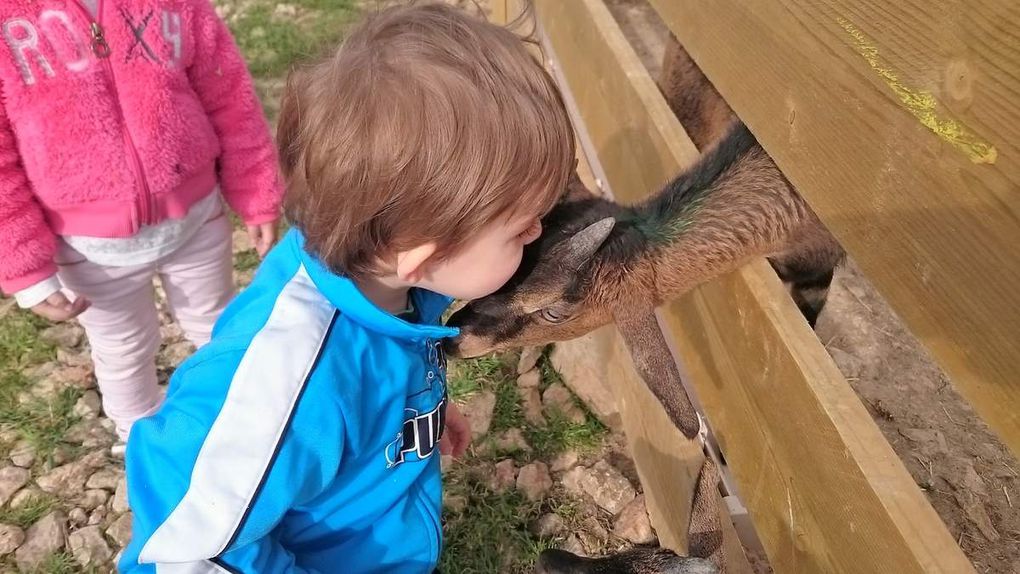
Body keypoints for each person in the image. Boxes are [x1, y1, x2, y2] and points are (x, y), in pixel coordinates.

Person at [119, 2, 576, 572]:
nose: (537, 232)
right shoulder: (294, 374)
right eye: (521, 226)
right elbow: (188, 543)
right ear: (424, 255)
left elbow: (377, 381)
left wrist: (423, 410)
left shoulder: (387, 279)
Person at [0, 0, 283, 446]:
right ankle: (140, 442)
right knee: (123, 350)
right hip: (87, 245)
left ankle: (243, 421)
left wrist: (257, 192)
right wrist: (25, 266)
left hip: (195, 218)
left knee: (217, 326)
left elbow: (229, 95)